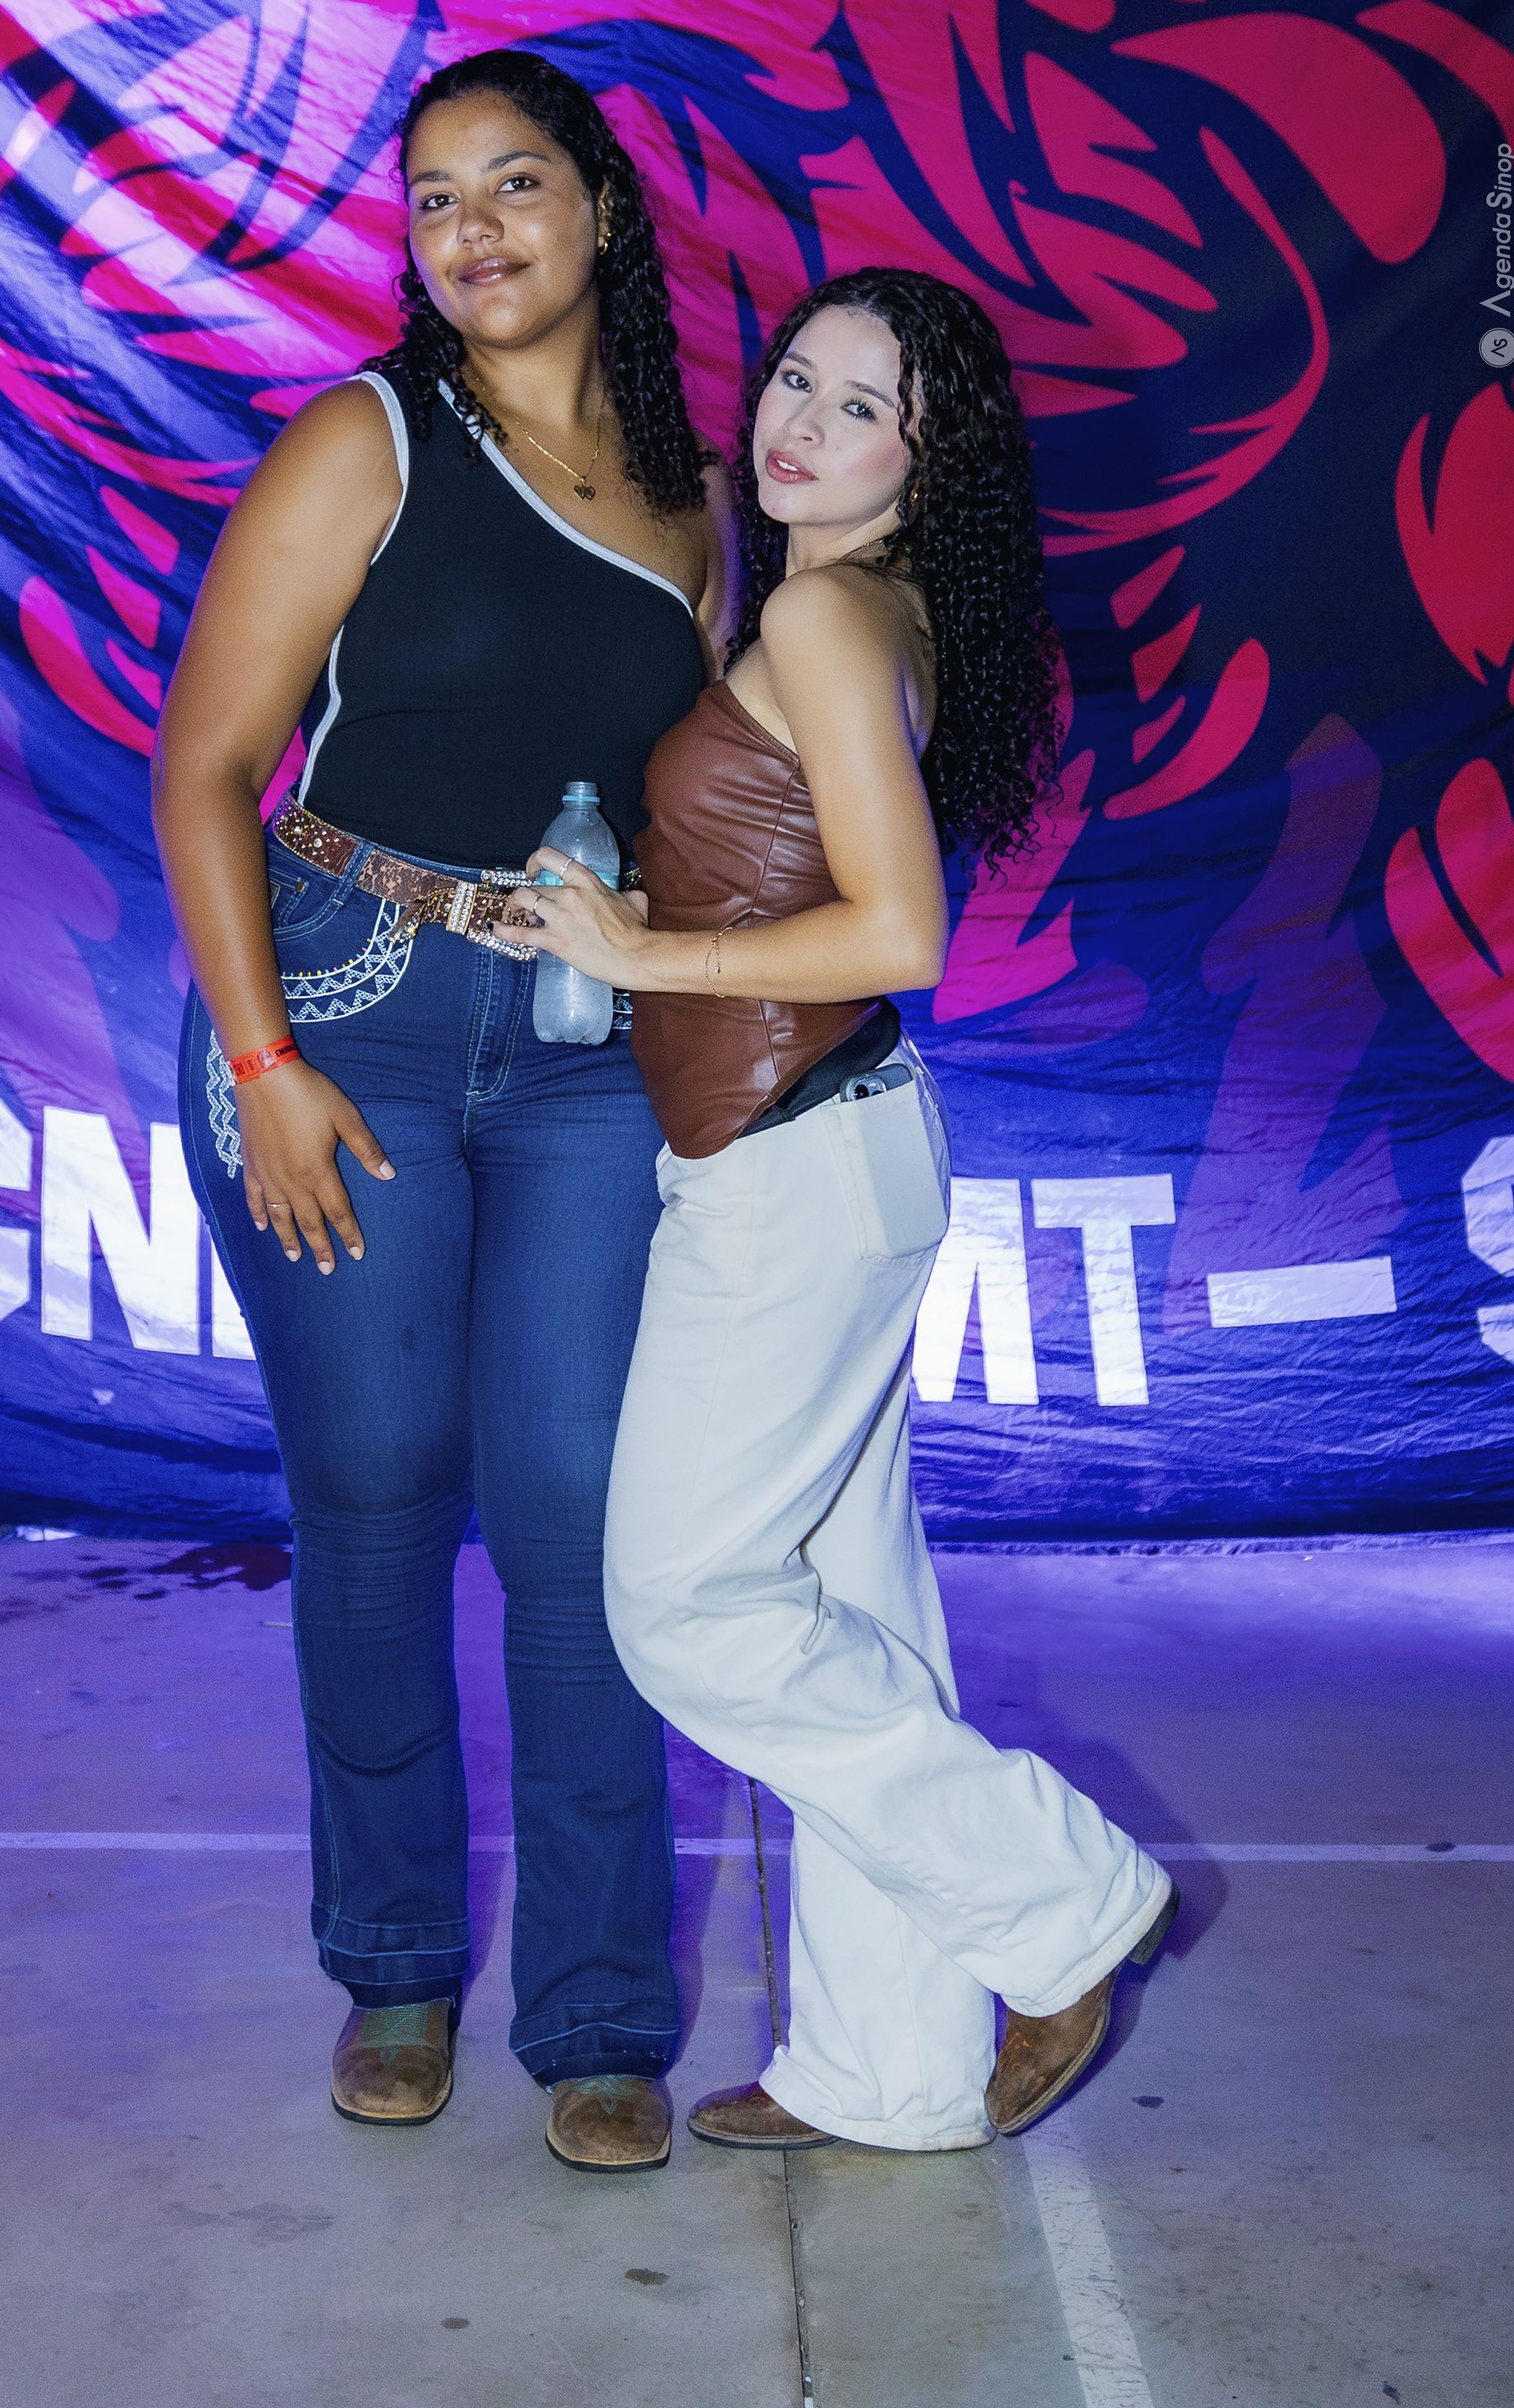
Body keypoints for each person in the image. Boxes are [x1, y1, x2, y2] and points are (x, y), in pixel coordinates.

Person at [506, 268, 1177, 2156]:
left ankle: (1063, 1899)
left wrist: (643, 950)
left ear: (924, 463)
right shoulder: (845, 602)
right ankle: (895, 2072)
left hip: (799, 1165)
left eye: (862, 406)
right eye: (797, 377)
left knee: (685, 1606)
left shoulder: (824, 612)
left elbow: (899, 931)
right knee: (850, 1602)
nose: (801, 420)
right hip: (820, 1145)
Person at [155, 48, 730, 2174]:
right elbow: (208, 767)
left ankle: (600, 2013)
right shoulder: (368, 436)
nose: (471, 228)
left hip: (586, 1053)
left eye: (516, 183)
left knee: (580, 1521)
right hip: (347, 1012)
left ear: (604, 209)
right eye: (432, 198)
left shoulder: (697, 500)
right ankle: (394, 1964)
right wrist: (265, 1066)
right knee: (382, 1493)